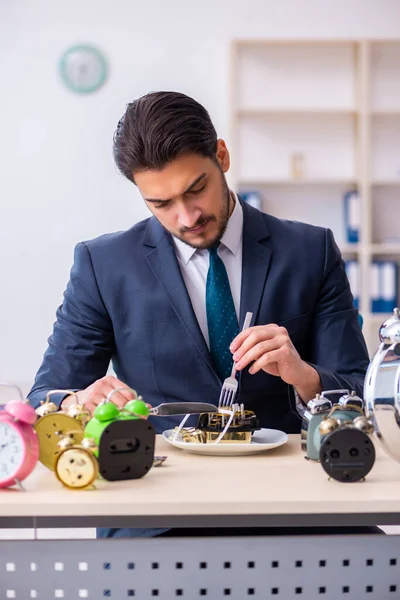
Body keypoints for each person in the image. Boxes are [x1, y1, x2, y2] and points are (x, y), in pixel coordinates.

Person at [28, 91, 371, 538]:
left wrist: (304, 376)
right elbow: (43, 398)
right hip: (155, 514)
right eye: (161, 204)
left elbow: (363, 393)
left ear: (222, 156)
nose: (187, 217)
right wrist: (79, 401)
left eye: (196, 190)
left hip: (296, 509)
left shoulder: (310, 252)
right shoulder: (103, 264)